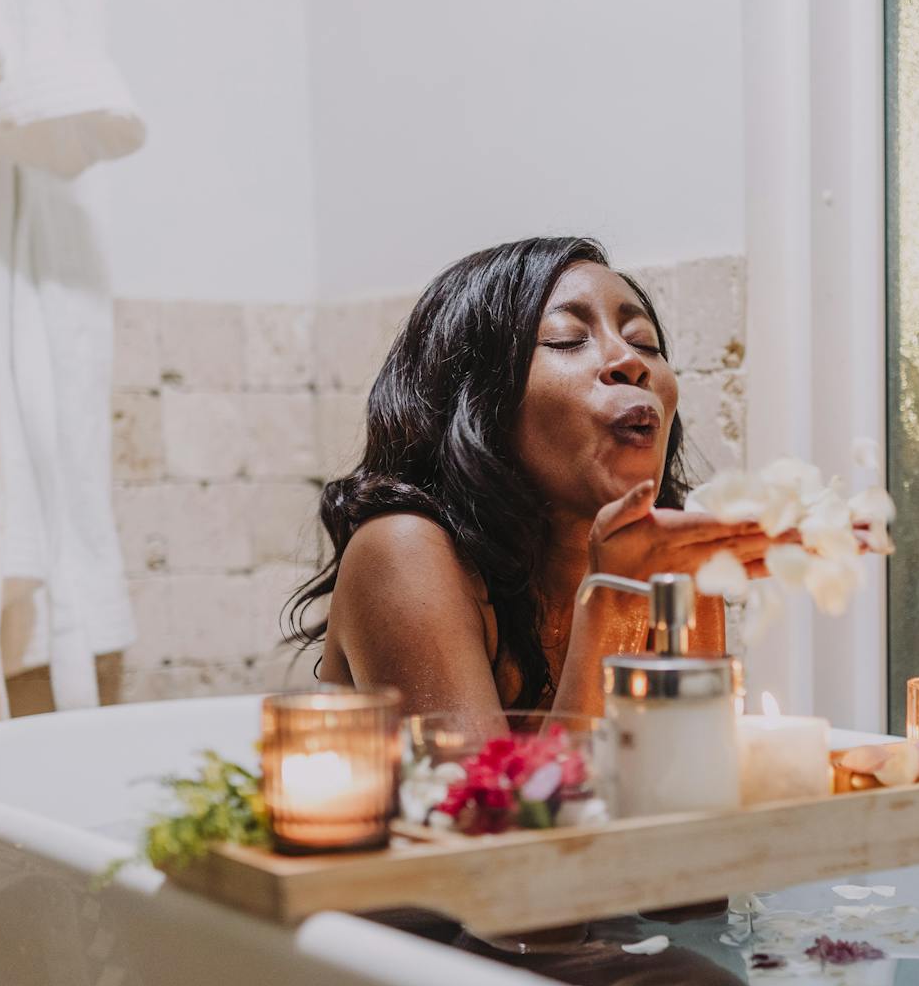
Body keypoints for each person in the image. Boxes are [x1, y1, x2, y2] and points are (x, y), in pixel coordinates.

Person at [288, 236, 771, 727]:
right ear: (481, 399)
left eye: (644, 343)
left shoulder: (667, 562)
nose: (631, 362)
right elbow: (486, 781)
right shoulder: (402, 549)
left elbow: (692, 763)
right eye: (566, 339)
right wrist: (614, 595)